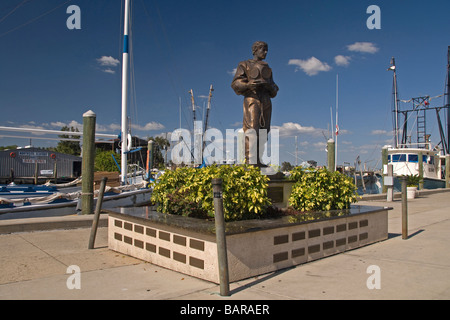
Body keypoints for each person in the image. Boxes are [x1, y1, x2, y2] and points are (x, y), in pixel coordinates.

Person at [231, 41, 279, 166]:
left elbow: (274, 90)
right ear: (255, 50)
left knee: (264, 130)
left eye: (267, 50)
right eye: (263, 49)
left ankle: (258, 160)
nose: (265, 52)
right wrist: (247, 85)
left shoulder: (267, 68)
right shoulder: (245, 64)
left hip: (265, 100)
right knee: (252, 128)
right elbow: (235, 83)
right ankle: (250, 161)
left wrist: (269, 86)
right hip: (252, 98)